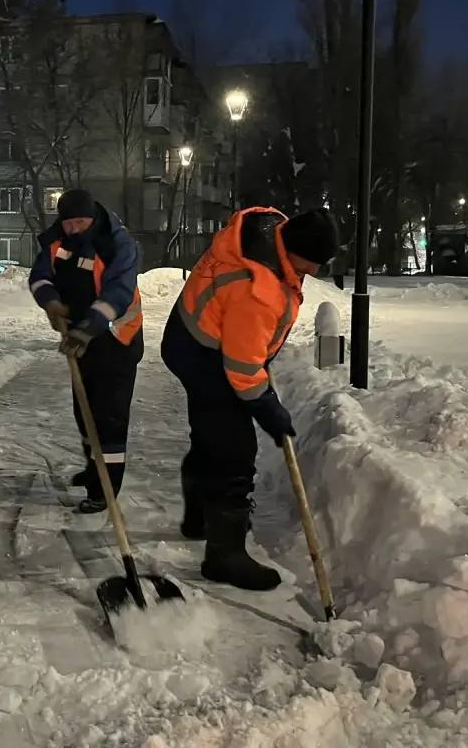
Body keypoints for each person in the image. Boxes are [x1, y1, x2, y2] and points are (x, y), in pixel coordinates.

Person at [161, 206, 338, 590]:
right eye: (310, 265)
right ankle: (225, 556)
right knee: (234, 448)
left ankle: (200, 514)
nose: (315, 274)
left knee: (212, 432)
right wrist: (269, 409)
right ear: (291, 249)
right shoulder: (257, 290)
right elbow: (242, 371)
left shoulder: (265, 227)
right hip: (204, 352)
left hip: (192, 331)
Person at [29, 188, 144, 513]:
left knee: (108, 415)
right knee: (85, 409)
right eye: (70, 223)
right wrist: (50, 301)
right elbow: (40, 276)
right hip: (80, 338)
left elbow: (118, 292)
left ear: (92, 218)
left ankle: (105, 487)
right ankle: (93, 470)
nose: (75, 229)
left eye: (81, 222)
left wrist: (88, 328)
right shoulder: (56, 241)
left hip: (116, 339)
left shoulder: (117, 243)